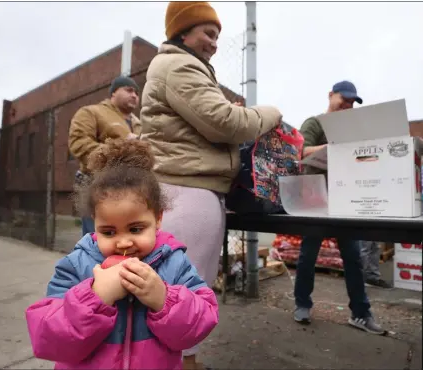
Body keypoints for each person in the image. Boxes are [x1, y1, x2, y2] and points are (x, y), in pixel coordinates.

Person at [140, 2, 283, 368]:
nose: (214, 43)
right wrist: (269, 113)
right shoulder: (177, 64)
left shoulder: (180, 66)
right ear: (182, 32)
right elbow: (225, 123)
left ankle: (183, 360)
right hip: (187, 191)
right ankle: (177, 362)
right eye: (208, 33)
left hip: (188, 189)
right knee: (182, 291)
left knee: (180, 288)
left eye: (217, 36)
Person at [25, 139, 219, 370]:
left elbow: (202, 322)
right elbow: (49, 339)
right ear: (94, 223)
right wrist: (95, 297)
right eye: (108, 232)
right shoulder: (77, 264)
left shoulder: (174, 262)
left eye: (136, 229)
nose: (124, 242)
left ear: (157, 219)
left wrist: (163, 298)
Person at [295, 81, 385, 335]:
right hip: (315, 199)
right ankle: (302, 303)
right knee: (308, 255)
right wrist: (332, 149)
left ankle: (361, 313)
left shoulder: (353, 130)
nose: (347, 105)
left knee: (354, 258)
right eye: (343, 99)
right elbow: (300, 151)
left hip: (344, 199)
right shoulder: (314, 123)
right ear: (330, 95)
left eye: (351, 102)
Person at [69, 76, 141, 236]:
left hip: (132, 189)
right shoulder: (91, 112)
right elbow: (79, 144)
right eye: (129, 90)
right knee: (99, 243)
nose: (134, 95)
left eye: (137, 93)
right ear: (114, 92)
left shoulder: (138, 123)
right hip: (97, 187)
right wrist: (122, 149)